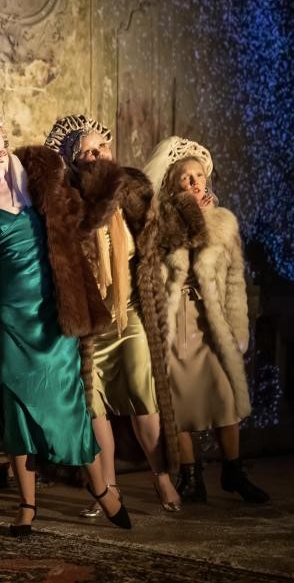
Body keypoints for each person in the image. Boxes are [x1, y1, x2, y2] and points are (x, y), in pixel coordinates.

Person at [0, 95, 132, 535]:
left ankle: (101, 487)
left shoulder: (41, 169)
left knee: (69, 405)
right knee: (15, 409)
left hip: (53, 309)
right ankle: (26, 504)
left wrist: (101, 174)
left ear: (1, 127)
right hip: (7, 318)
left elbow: (81, 219)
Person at [44, 116, 180, 515]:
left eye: (100, 148)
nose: (96, 156)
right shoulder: (67, 202)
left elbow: (160, 240)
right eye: (86, 152)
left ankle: (162, 476)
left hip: (128, 312)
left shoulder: (134, 191)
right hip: (90, 321)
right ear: (74, 161)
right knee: (95, 406)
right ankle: (107, 487)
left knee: (143, 395)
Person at [145, 136, 269, 505]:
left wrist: (238, 328)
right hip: (178, 319)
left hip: (210, 320)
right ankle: (191, 475)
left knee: (225, 398)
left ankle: (233, 470)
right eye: (186, 177)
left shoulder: (223, 222)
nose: (195, 182)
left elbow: (234, 280)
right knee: (179, 402)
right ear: (173, 183)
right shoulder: (162, 222)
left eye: (199, 175)